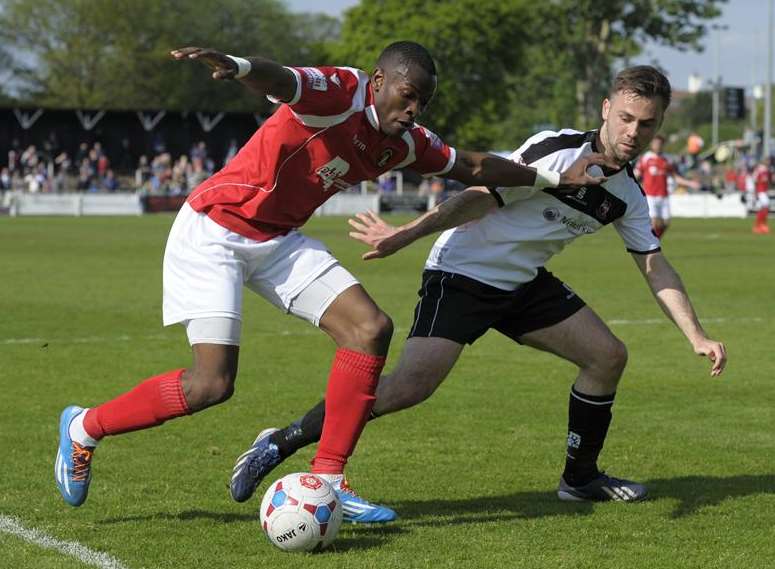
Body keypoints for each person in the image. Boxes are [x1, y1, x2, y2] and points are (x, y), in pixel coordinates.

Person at [54, 41, 609, 521]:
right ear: (378, 82)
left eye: (423, 102)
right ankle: (85, 427)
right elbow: (286, 80)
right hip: (214, 231)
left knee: (370, 329)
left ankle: (330, 481)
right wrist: (241, 66)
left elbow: (476, 168)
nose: (413, 109)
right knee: (211, 385)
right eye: (406, 95)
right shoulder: (341, 92)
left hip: (277, 240)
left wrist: (556, 176)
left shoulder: (406, 141)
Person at [235, 66, 728, 512]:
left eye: (647, 124)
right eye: (626, 118)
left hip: (524, 284)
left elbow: (655, 266)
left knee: (607, 357)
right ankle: (280, 441)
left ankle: (580, 480)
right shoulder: (558, 151)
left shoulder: (627, 195)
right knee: (408, 389)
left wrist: (696, 335)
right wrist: (403, 235)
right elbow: (477, 197)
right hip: (463, 274)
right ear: (606, 109)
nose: (633, 132)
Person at [635, 134, 699, 238]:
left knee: (666, 222)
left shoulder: (667, 159)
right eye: (655, 143)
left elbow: (676, 177)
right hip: (650, 195)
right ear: (652, 144)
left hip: (664, 195)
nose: (658, 145)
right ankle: (650, 244)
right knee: (655, 222)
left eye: (660, 143)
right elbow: (636, 174)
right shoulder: (646, 158)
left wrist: (690, 183)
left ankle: (654, 241)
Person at [751, 159, 771, 234]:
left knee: (763, 207)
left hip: (764, 191)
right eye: (767, 161)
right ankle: (760, 225)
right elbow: (754, 180)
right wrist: (755, 191)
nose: (768, 162)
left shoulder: (766, 170)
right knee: (765, 205)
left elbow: (766, 182)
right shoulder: (759, 170)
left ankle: (760, 225)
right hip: (760, 191)